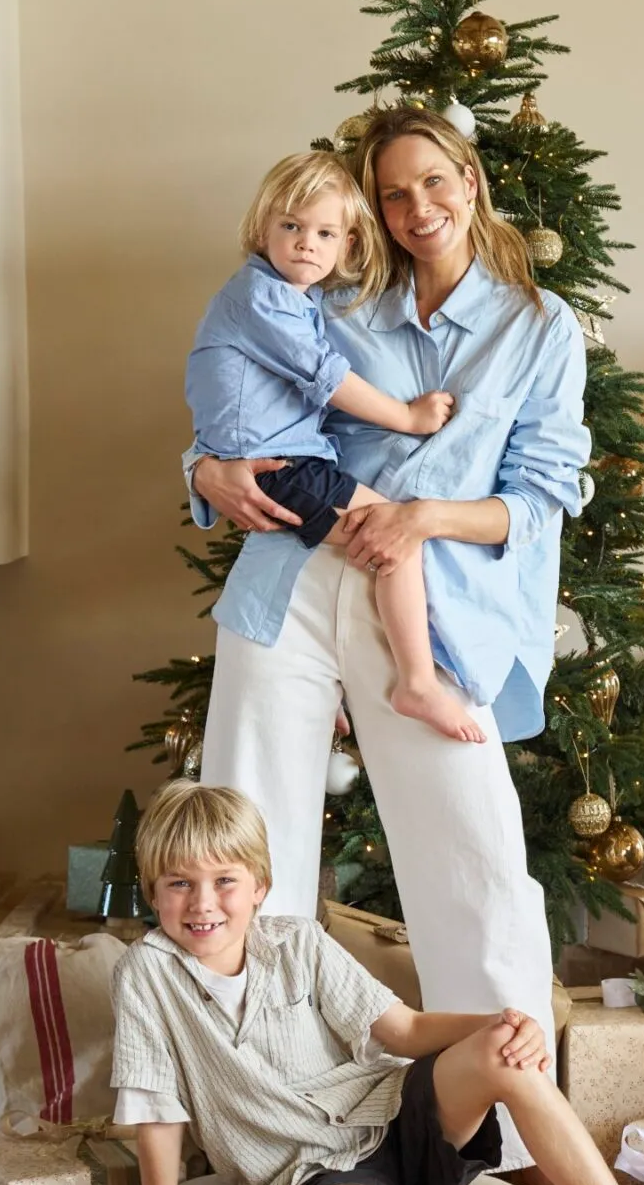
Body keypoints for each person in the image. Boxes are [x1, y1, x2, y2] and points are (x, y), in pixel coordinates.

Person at [188, 110, 589, 1162]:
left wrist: (423, 517)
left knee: (478, 861)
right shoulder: (337, 292)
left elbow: (540, 499)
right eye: (393, 195)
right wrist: (201, 474)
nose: (416, 211)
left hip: (431, 607)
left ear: (469, 178)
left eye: (431, 184)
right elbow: (238, 382)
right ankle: (255, 1125)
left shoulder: (539, 328)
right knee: (244, 848)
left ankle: (503, 1133)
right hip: (290, 582)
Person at [85, 782, 644, 1185]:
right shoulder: (147, 975)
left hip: (394, 1117)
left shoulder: (300, 944)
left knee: (504, 1052)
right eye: (179, 884)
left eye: (223, 880)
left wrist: (501, 1023)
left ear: (258, 886)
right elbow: (156, 1109)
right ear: (152, 890)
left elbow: (402, 1030)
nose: (202, 903)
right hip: (304, 1174)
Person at [187, 150, 479, 742]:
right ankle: (417, 682)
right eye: (291, 228)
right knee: (393, 539)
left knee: (377, 545)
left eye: (324, 233)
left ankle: (340, 692)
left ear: (347, 244)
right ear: (262, 227)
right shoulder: (262, 297)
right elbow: (326, 376)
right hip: (281, 468)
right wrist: (407, 416)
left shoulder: (302, 299)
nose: (305, 245)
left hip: (284, 462)